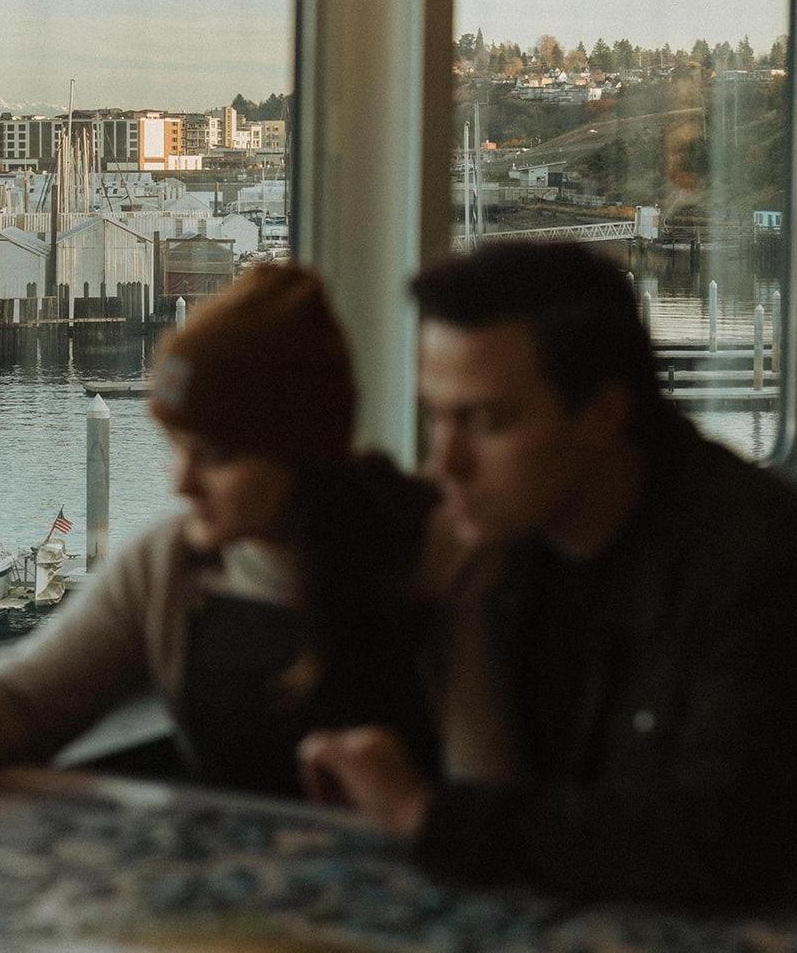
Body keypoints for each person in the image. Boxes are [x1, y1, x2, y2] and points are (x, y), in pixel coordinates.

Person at [0, 263, 449, 798]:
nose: (180, 483)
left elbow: (505, 802)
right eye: (175, 447)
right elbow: (23, 700)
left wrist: (417, 812)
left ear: (301, 447)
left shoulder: (446, 564)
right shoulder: (169, 567)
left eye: (214, 456)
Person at [298, 241, 797, 905]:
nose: (446, 461)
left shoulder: (756, 562)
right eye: (435, 418)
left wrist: (429, 814)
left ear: (602, 416)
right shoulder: (510, 540)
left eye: (485, 422)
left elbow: (725, 843)